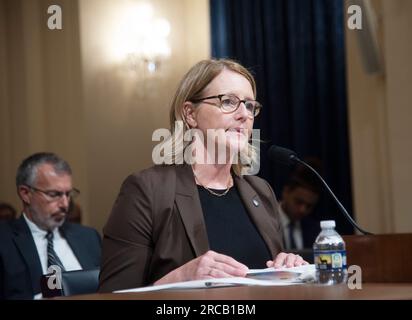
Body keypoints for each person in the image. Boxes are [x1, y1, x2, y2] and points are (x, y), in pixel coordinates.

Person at [99, 59, 308, 293]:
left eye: (250, 105)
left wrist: (289, 270)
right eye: (228, 101)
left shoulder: (261, 191)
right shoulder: (146, 190)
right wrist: (182, 278)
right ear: (190, 114)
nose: (244, 114)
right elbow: (112, 296)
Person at [0, 152, 101, 299]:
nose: (65, 204)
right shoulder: (4, 240)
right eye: (54, 194)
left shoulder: (89, 237)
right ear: (26, 193)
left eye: (68, 194)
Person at [279, 158, 322, 251]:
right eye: (298, 202)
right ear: (286, 192)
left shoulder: (315, 230)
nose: (302, 210)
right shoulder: (266, 219)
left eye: (309, 206)